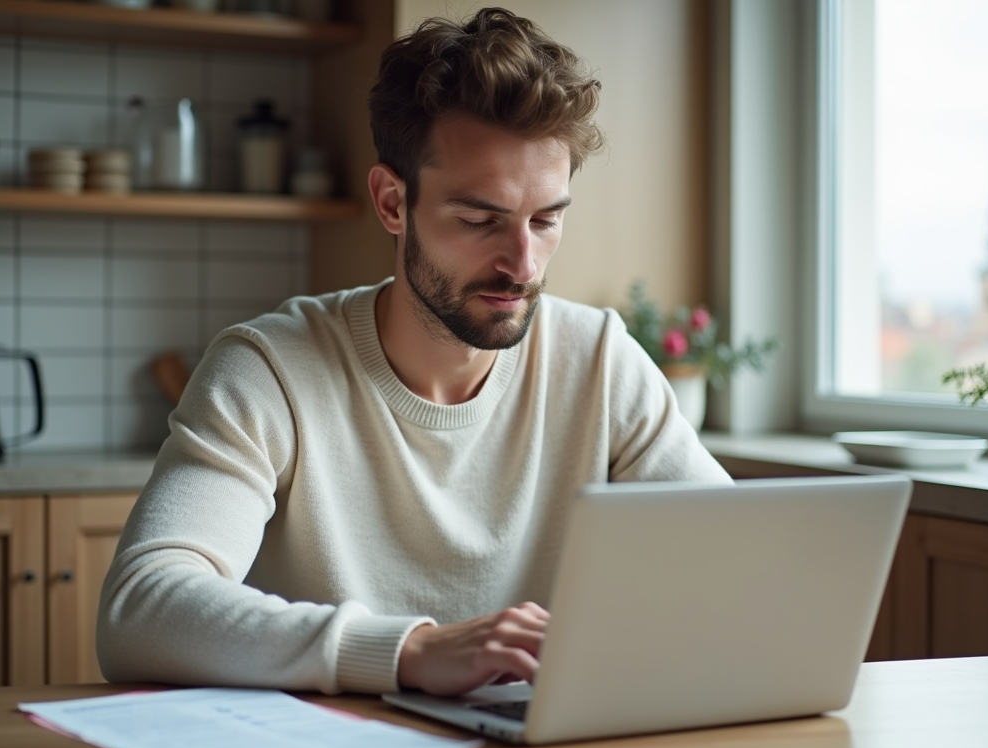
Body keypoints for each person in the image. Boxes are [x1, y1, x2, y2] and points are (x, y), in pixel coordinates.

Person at [97, 7, 732, 697]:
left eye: (546, 220)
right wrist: (408, 650)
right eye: (480, 219)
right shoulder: (269, 370)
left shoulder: (601, 360)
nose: (522, 263)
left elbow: (738, 566)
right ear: (392, 202)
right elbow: (140, 610)